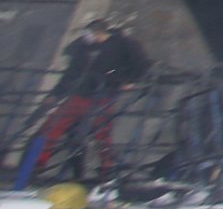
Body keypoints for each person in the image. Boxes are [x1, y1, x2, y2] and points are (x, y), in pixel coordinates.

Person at [17, 15, 151, 189]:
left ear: (96, 32)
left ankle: (106, 168)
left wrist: (128, 81)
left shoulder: (122, 44)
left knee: (102, 134)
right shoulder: (83, 49)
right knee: (51, 127)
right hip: (79, 94)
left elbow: (142, 64)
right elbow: (71, 74)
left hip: (103, 95)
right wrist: (55, 94)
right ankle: (38, 164)